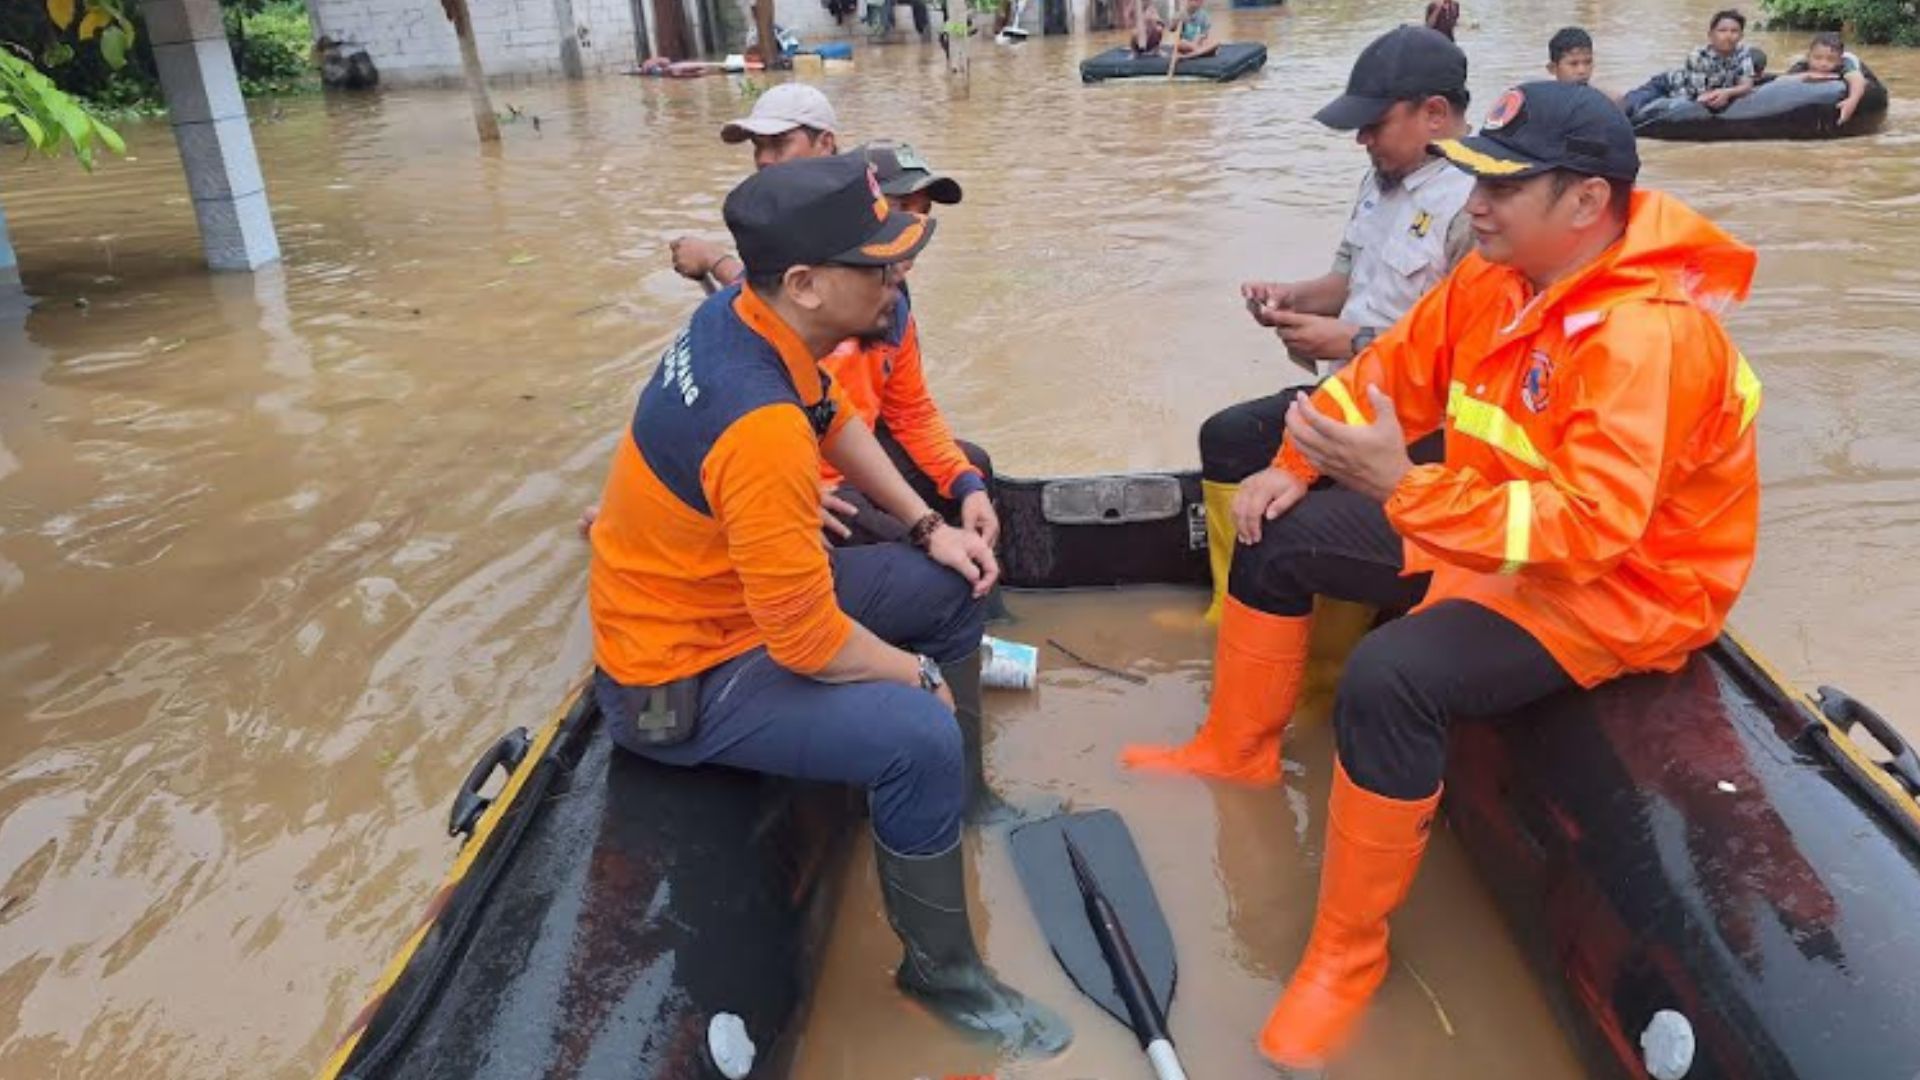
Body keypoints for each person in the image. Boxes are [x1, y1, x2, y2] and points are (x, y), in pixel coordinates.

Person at [1122, 80, 1761, 1071]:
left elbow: (1592, 532)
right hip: (1491, 528)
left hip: (1620, 589)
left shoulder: (1647, 338)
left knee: (1394, 679)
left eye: (1502, 188)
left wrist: (1403, 490)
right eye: (1474, 181)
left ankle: (1347, 958)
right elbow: (1389, 374)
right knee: (1275, 535)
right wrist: (1292, 466)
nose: (1475, 207)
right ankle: (1235, 749)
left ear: (1588, 203)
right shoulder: (1498, 280)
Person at [587, 154, 1071, 1058]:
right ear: (806, 283)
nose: (898, 277)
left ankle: (964, 805)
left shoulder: (748, 322)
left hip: (729, 602)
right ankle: (944, 974)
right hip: (673, 680)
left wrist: (930, 526)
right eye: (877, 263)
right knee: (914, 728)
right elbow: (806, 638)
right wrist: (915, 675)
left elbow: (836, 419)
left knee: (947, 587)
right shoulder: (755, 426)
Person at [1198, 26, 1474, 621]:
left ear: (1434, 114)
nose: (1361, 139)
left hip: (1419, 425)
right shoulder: (1378, 185)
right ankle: (1232, 607)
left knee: (1289, 525)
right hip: (1343, 392)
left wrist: (1348, 340)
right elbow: (1346, 282)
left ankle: (1323, 648)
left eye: (1375, 123)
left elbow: (1465, 353)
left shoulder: (1476, 207)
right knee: (1227, 437)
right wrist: (1291, 298)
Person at [668, 84, 840, 286]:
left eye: (779, 143)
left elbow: (786, 305)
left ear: (825, 144)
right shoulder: (795, 210)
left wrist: (714, 260)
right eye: (758, 145)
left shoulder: (845, 214)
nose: (763, 159)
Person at [1620, 9, 1757, 116]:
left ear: (1741, 36)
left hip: (1699, 88)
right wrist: (1726, 93)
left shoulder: (1743, 53)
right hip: (1666, 86)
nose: (1728, 36)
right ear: (1711, 35)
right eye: (1722, 31)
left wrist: (1727, 92)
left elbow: (1747, 85)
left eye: (1734, 31)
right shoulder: (1697, 56)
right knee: (1631, 106)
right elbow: (1702, 97)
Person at [1781, 31, 1870, 126]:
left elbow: (1858, 80)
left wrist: (1852, 100)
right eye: (1817, 58)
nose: (1823, 64)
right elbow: (1781, 81)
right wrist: (1807, 75)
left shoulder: (1844, 64)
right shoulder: (1803, 65)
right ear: (1808, 57)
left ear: (1839, 61)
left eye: (1831, 59)